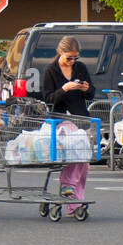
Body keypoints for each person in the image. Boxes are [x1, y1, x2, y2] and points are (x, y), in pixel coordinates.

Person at [41, 36, 95, 210]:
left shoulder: (80, 68)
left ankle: (74, 203)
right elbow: (48, 98)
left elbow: (91, 94)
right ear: (60, 52)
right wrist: (65, 88)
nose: (72, 61)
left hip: (80, 118)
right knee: (77, 151)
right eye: (69, 57)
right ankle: (67, 185)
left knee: (84, 162)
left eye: (75, 58)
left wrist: (86, 88)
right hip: (60, 120)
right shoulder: (51, 70)